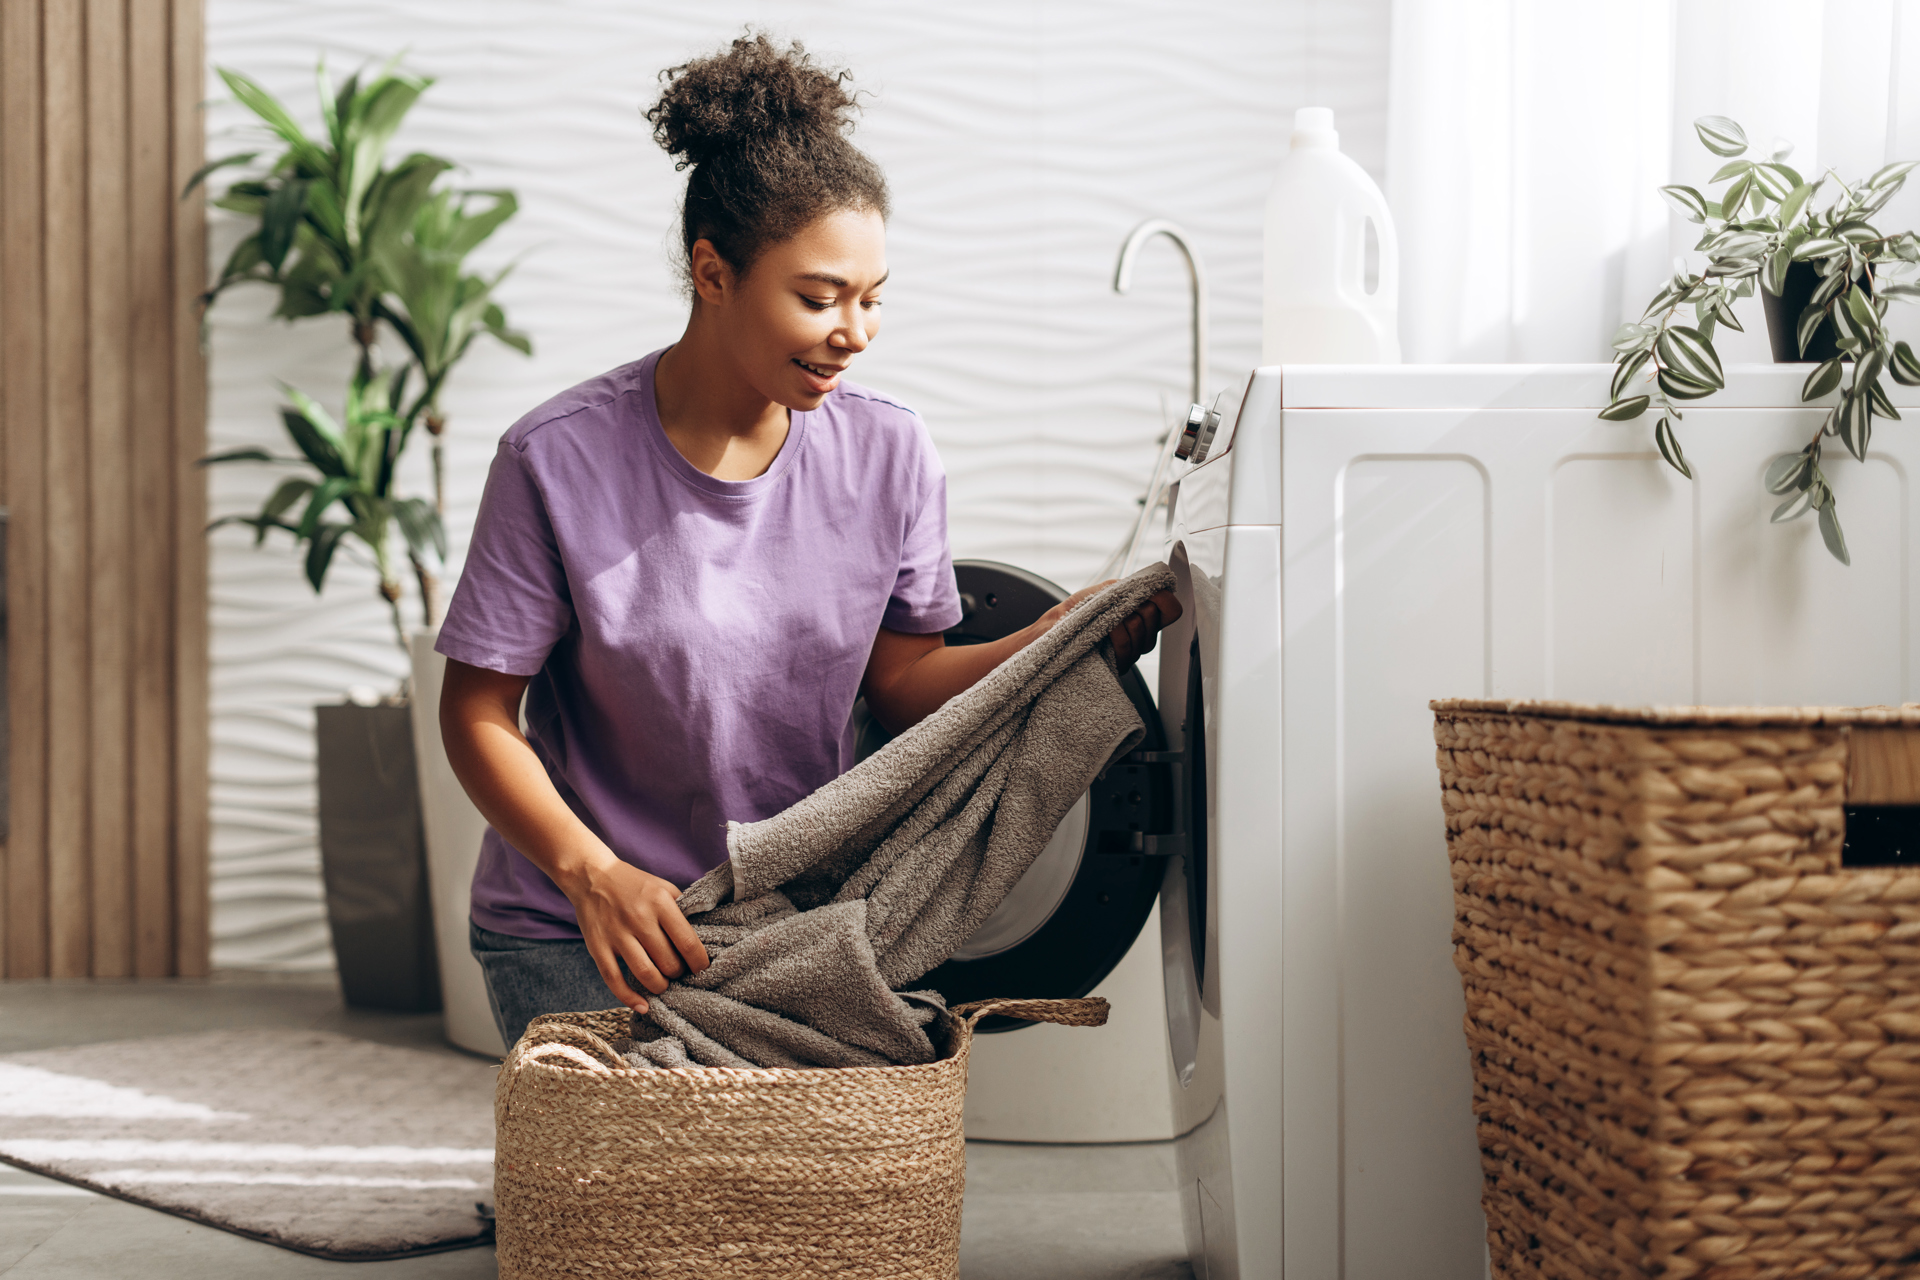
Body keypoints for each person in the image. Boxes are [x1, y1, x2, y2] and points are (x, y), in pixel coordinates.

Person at [436, 32, 1182, 1048]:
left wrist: (1054, 638)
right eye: (819, 296)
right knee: (644, 1203)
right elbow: (478, 711)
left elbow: (903, 684)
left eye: (872, 298)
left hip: (799, 923)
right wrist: (592, 872)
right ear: (712, 272)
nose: (855, 331)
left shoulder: (891, 452)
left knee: (798, 1201)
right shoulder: (555, 459)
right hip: (586, 927)